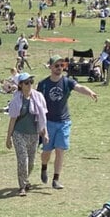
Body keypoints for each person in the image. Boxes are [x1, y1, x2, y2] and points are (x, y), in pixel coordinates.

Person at [36, 55, 98, 189]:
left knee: (60, 150)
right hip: (48, 123)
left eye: (61, 66)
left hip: (64, 122)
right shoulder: (43, 84)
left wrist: (90, 92)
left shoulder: (67, 82)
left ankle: (56, 179)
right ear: (50, 67)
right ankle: (44, 167)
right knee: (46, 152)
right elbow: (37, 103)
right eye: (56, 66)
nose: (59, 68)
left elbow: (79, 87)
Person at [5, 73, 49, 196]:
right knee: (22, 161)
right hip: (19, 134)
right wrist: (8, 138)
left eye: (31, 81)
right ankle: (22, 186)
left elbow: (42, 117)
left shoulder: (38, 97)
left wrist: (45, 133)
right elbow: (12, 119)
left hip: (34, 134)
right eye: (26, 82)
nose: (29, 85)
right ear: (20, 85)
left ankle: (25, 179)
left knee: (31, 163)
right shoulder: (16, 99)